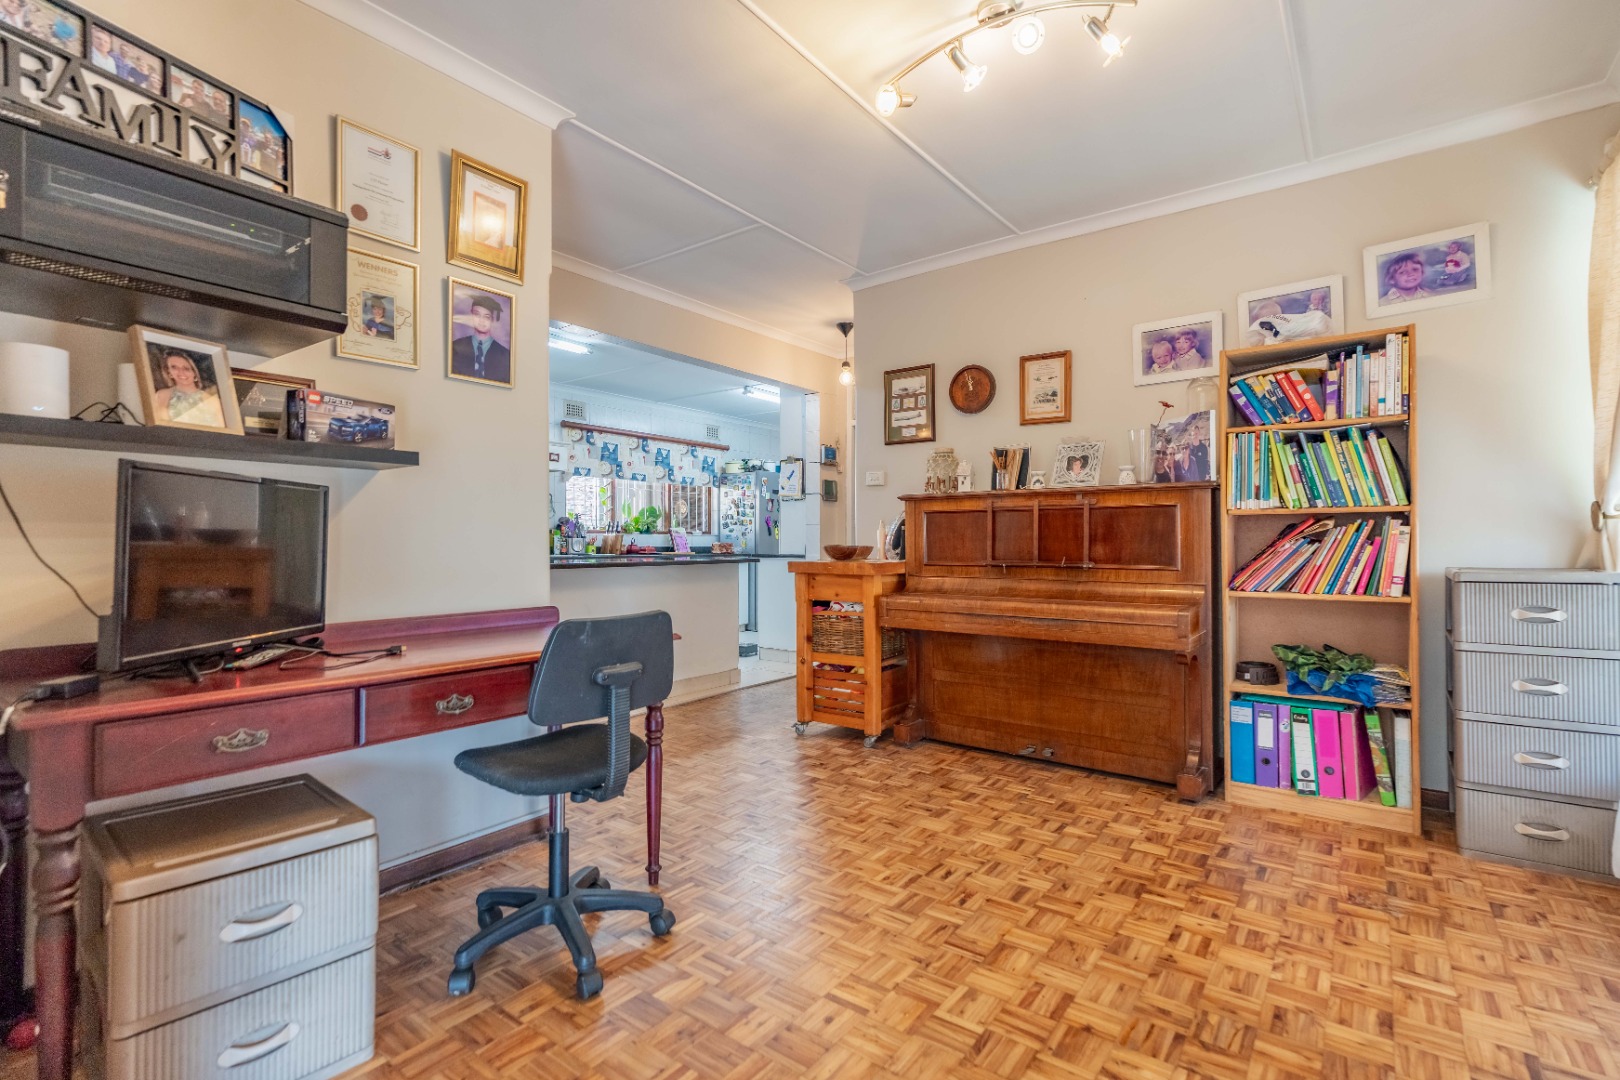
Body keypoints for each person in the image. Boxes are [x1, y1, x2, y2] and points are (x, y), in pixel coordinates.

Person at [150, 349, 224, 428]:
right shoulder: (162, 395)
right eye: (174, 367)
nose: (181, 372)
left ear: (194, 372)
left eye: (186, 368)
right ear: (169, 372)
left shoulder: (213, 401)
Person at [451, 293, 511, 384]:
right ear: (471, 315)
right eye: (477, 314)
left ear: (492, 319)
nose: (481, 320)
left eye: (486, 317)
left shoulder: (505, 356)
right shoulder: (455, 348)